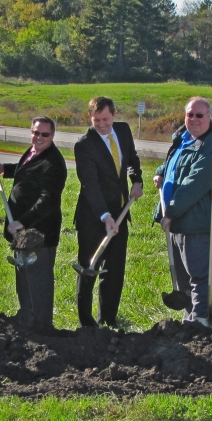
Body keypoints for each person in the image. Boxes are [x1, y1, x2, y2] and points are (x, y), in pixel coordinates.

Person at [152, 97, 212, 324]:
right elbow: (176, 161)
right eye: (190, 114)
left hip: (202, 221)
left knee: (200, 276)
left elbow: (193, 184)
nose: (194, 119)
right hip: (181, 219)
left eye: (200, 115)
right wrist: (161, 171)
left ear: (210, 117)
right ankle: (189, 320)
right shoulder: (184, 138)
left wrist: (170, 212)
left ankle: (199, 323)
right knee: (184, 278)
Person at [0, 117, 68, 332]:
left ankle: (42, 328)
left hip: (39, 234)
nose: (38, 137)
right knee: (24, 279)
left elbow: (47, 201)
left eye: (44, 134)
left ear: (52, 136)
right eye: (35, 132)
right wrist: (5, 168)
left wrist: (22, 223)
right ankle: (27, 322)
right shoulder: (34, 152)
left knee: (38, 282)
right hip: (22, 232)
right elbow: (28, 173)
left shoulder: (54, 163)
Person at [73, 96, 143, 328]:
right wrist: (105, 216)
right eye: (96, 120)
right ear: (89, 117)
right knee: (89, 267)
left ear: (114, 114)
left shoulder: (122, 131)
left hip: (121, 213)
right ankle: (86, 323)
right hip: (94, 216)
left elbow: (131, 158)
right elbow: (90, 185)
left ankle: (109, 320)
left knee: (114, 271)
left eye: (105, 119)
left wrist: (136, 180)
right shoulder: (84, 145)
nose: (102, 125)